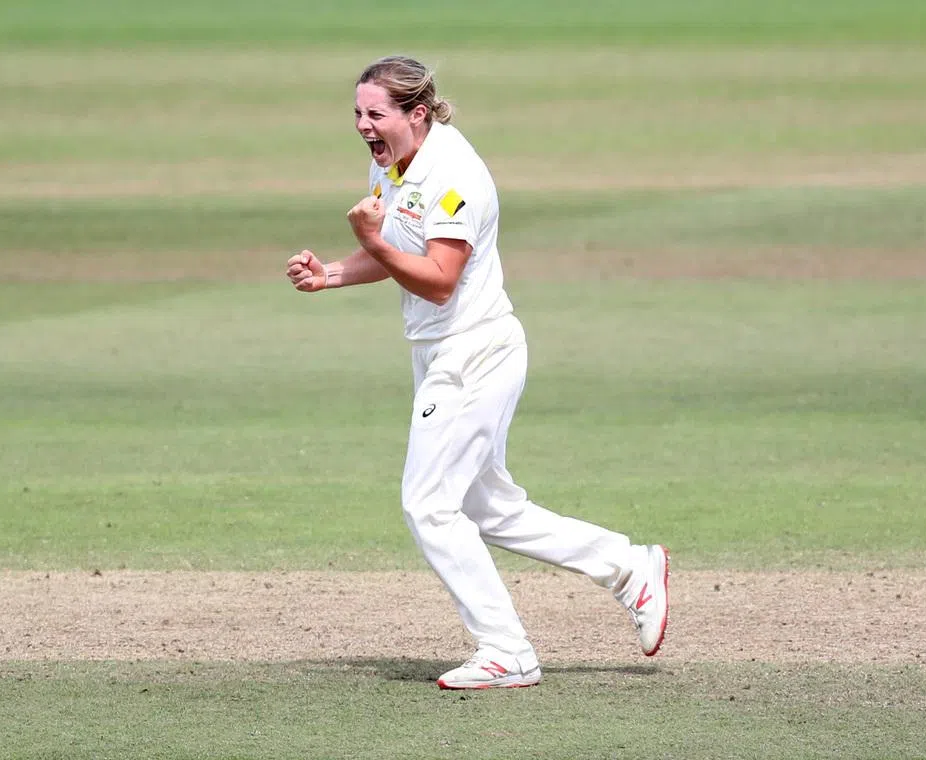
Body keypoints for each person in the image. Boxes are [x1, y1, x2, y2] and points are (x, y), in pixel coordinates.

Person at [286, 55, 669, 690]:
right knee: (488, 508)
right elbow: (400, 244)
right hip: (443, 352)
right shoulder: (393, 160)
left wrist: (375, 243)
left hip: (472, 352)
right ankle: (628, 567)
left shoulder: (455, 174)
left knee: (429, 506)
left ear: (417, 113)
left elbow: (438, 280)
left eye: (374, 114)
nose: (362, 126)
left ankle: (506, 650)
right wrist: (331, 272)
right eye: (356, 113)